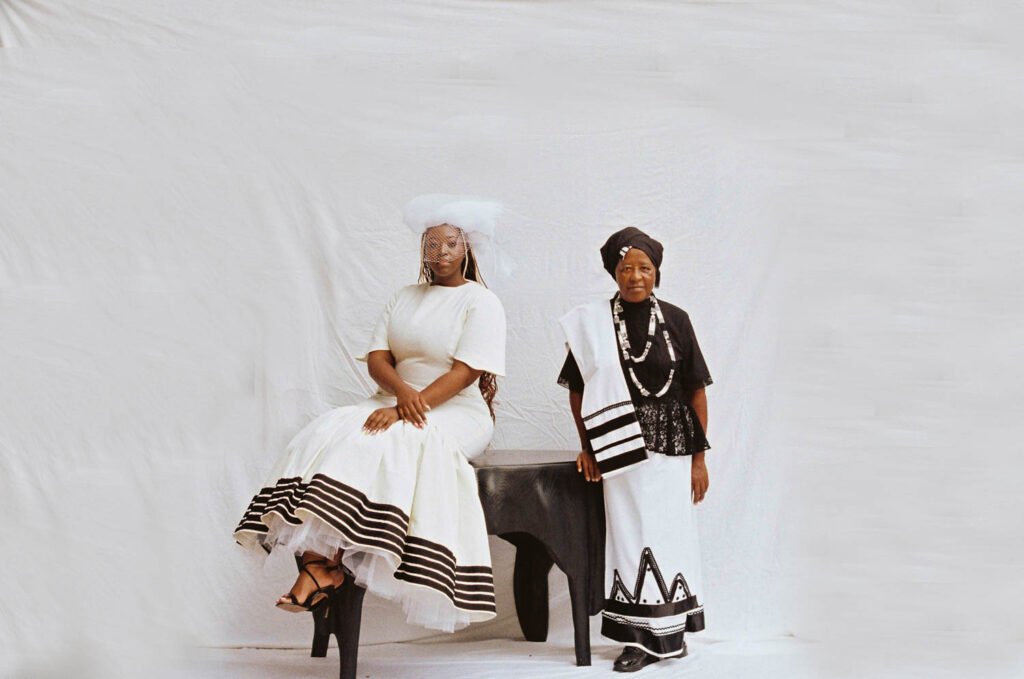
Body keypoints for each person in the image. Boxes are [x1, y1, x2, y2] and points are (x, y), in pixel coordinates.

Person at [233, 195, 507, 633]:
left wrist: (406, 411)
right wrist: (400, 396)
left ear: (467, 248)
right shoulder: (405, 296)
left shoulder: (481, 302)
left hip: (457, 410)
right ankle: (319, 563)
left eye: (450, 244)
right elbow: (379, 358)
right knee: (330, 430)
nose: (440, 254)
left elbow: (466, 371)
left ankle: (325, 569)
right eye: (432, 244)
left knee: (401, 439)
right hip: (396, 398)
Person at [558, 226, 712, 672]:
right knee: (629, 537)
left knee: (669, 533)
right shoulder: (595, 324)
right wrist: (587, 446)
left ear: (657, 272)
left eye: (645, 268)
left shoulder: (678, 319)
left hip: (673, 445)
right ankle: (639, 641)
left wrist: (700, 459)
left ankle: (672, 633)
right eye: (626, 269)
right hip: (618, 444)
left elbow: (696, 391)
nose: (636, 277)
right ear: (614, 272)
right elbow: (577, 389)